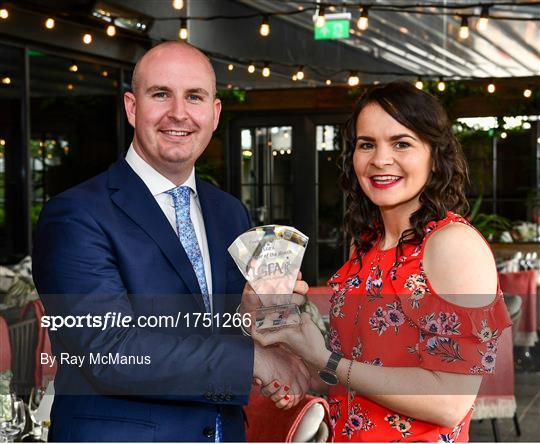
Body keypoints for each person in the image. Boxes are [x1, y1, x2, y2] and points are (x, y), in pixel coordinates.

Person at [32, 41, 309, 442]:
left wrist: (254, 317)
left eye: (194, 97)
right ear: (132, 108)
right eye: (161, 94)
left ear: (214, 114)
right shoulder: (75, 215)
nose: (178, 113)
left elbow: (220, 332)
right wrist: (254, 361)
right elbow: (109, 351)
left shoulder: (229, 212)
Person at [252, 81, 512, 442]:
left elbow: (449, 401)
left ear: (434, 156)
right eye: (367, 144)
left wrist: (324, 360)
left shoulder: (452, 245)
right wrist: (297, 361)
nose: (380, 159)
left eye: (401, 143)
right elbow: (360, 371)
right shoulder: (367, 244)